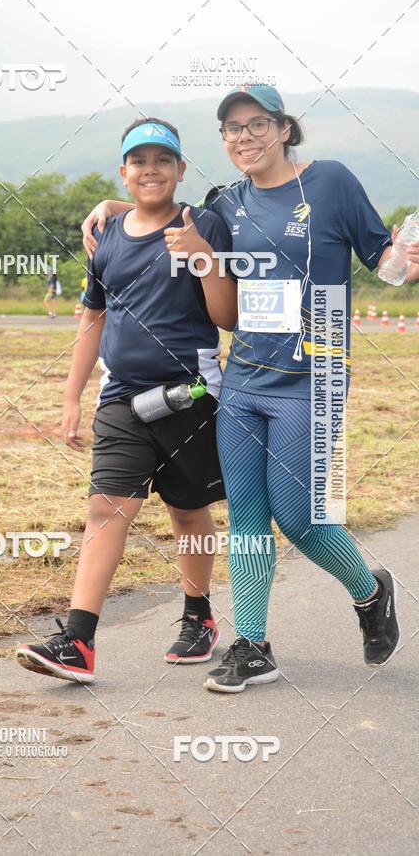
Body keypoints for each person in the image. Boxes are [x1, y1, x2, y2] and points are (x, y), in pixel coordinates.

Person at [80, 85, 419, 694]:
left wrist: (406, 258)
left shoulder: (333, 183)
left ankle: (370, 593)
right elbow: (176, 227)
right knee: (247, 521)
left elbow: (384, 261)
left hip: (313, 379)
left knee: (299, 518)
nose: (244, 137)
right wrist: (110, 202)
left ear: (284, 128)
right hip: (242, 380)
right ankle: (253, 644)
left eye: (256, 124)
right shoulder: (226, 202)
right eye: (232, 129)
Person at [16, 117, 237, 682]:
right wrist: (72, 397)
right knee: (106, 507)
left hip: (191, 396)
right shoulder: (104, 235)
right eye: (139, 162)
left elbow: (226, 317)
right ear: (124, 171)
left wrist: (200, 255)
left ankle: (198, 615)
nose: (151, 170)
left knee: (188, 512)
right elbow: (92, 318)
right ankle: (79, 642)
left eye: (163, 161)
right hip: (120, 400)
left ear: (181, 170)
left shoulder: (202, 222)